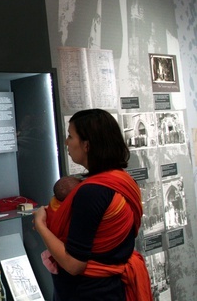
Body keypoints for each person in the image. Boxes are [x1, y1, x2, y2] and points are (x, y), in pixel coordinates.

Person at [33, 109, 152, 300]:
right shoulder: (123, 181)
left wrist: (40, 225)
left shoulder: (92, 193)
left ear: (86, 145)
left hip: (89, 292)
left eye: (70, 136)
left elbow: (74, 264)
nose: (66, 143)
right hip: (113, 288)